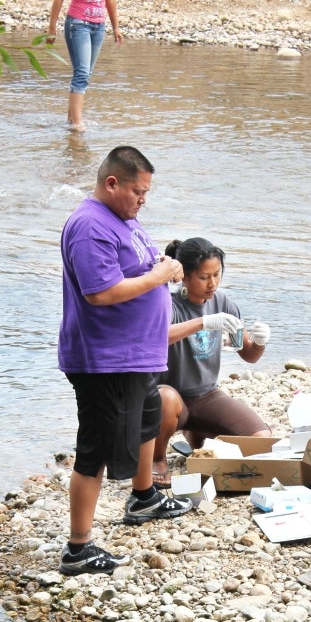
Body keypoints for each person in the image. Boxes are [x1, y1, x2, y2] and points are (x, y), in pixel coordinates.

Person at [58, 146, 193, 576]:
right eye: (138, 190)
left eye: (147, 192)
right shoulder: (90, 226)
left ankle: (144, 496)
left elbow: (137, 265)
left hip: (133, 355)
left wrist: (165, 265)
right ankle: (78, 549)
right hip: (105, 359)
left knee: (148, 419)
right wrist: (158, 276)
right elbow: (100, 292)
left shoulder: (123, 220)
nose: (143, 199)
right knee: (94, 449)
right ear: (112, 183)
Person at [152, 237, 272, 488]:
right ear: (184, 275)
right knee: (166, 398)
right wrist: (204, 322)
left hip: (207, 396)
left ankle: (198, 434)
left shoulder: (223, 303)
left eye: (217, 274)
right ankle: (158, 458)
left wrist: (259, 342)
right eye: (204, 277)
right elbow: (156, 338)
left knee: (262, 440)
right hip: (169, 398)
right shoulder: (169, 303)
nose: (212, 283)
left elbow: (247, 353)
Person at [46, 0, 123, 132]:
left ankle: (71, 120)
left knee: (85, 73)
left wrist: (116, 27)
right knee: (81, 74)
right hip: (78, 24)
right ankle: (77, 125)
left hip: (98, 25)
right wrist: (52, 27)